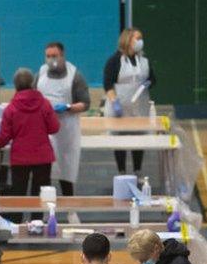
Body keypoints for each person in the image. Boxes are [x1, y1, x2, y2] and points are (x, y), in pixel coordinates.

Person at [0, 68, 60, 221]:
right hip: (43, 157)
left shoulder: (11, 109)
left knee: (19, 193)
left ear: (15, 86)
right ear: (33, 83)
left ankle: (17, 224)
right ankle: (37, 222)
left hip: (20, 158)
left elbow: (5, 137)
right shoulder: (45, 104)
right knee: (40, 193)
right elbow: (54, 128)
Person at [36, 42, 90, 200]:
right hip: (44, 130)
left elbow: (85, 103)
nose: (51, 59)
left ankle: (70, 208)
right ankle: (44, 211)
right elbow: (33, 94)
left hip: (67, 129)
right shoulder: (40, 73)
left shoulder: (75, 75)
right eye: (48, 56)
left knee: (66, 170)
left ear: (62, 56)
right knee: (44, 172)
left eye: (55, 56)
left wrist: (68, 107)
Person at [103, 28, 156, 174]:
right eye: (137, 38)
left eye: (141, 38)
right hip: (119, 107)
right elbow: (108, 84)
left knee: (138, 139)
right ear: (127, 40)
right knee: (119, 140)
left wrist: (147, 83)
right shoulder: (114, 61)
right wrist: (115, 102)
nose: (140, 42)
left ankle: (137, 170)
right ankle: (121, 171)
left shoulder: (144, 61)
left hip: (139, 108)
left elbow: (152, 79)